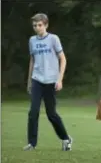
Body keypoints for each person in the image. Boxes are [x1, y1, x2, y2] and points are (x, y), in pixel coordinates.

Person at [23, 13, 73, 151]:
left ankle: (66, 139)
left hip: (51, 81)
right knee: (33, 112)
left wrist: (60, 79)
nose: (37, 28)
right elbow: (32, 60)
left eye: (39, 25)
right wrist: (29, 81)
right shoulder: (32, 40)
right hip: (37, 80)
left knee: (51, 114)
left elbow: (63, 59)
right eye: (34, 25)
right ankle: (31, 144)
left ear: (46, 25)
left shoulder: (53, 39)